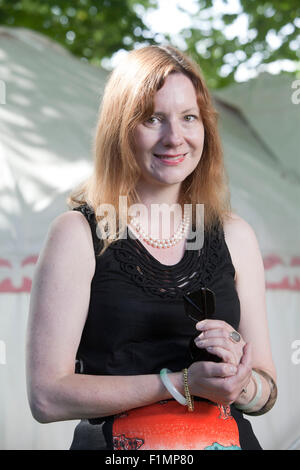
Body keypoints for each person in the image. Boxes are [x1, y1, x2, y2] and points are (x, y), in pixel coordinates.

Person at [26, 45, 277, 451]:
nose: (174, 137)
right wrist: (181, 384)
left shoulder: (235, 234)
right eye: (153, 118)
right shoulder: (77, 234)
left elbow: (267, 390)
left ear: (205, 129)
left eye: (188, 118)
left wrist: (241, 383)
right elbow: (46, 397)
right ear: (121, 128)